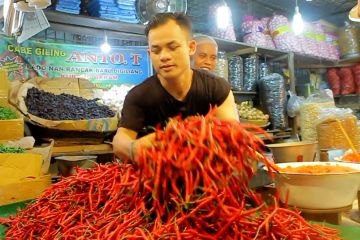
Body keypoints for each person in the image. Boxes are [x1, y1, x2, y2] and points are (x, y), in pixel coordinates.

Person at [112, 12, 238, 161]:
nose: (164, 56)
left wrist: (192, 137)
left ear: (191, 48)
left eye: (172, 47)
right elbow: (120, 140)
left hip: (208, 176)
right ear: (149, 53)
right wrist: (133, 149)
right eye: (156, 50)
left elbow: (232, 133)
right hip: (158, 177)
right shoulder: (139, 96)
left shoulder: (216, 88)